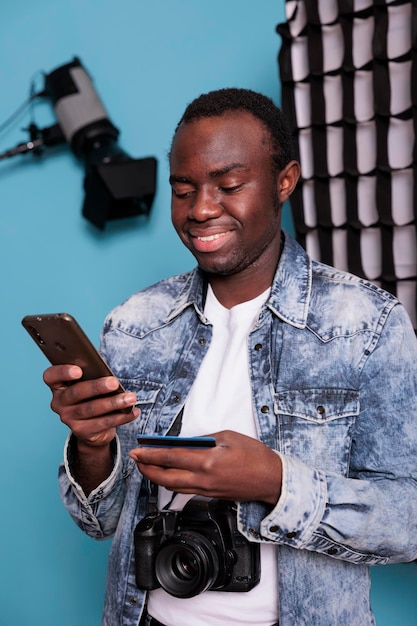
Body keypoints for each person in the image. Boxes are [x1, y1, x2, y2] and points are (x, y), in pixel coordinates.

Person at [43, 88, 417, 626]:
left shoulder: (367, 323)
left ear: (284, 181)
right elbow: (99, 521)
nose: (200, 210)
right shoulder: (134, 324)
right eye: (183, 189)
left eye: (229, 185)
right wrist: (91, 444)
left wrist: (276, 482)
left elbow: (407, 522)